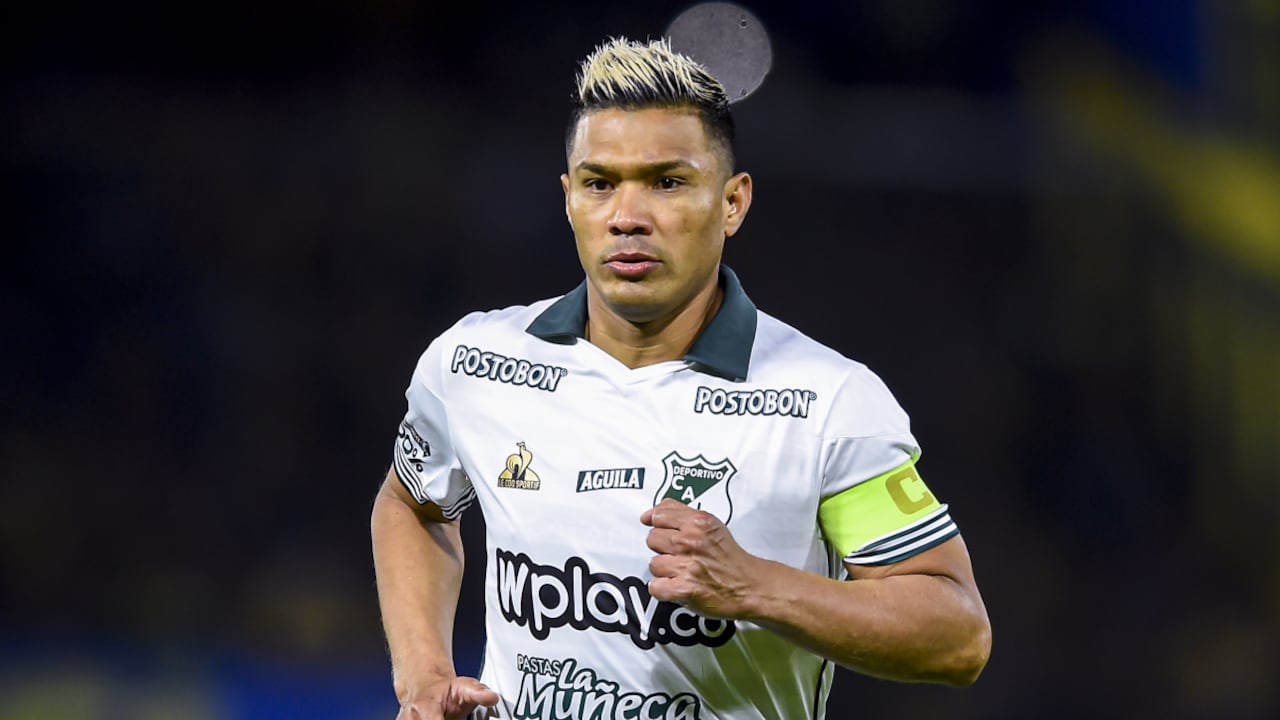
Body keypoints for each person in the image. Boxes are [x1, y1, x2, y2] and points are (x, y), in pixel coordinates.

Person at [371, 36, 991, 720]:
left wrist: (757, 587)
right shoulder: (475, 364)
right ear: (569, 198)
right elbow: (412, 504)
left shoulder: (826, 403)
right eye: (600, 182)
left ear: (732, 203)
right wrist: (424, 675)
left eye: (667, 182)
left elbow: (957, 634)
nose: (628, 217)